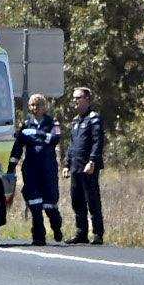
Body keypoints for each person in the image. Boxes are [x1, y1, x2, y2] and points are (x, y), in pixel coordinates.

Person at [11, 94, 63, 245]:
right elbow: (18, 146)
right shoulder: (26, 124)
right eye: (32, 105)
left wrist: (38, 134)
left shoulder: (52, 122)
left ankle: (56, 227)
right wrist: (12, 164)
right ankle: (39, 236)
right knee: (34, 203)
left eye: (38, 105)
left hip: (48, 168)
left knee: (50, 203)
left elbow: (55, 138)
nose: (35, 108)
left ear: (44, 107)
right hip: (31, 168)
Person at [62, 87, 106, 245]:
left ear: (87, 99)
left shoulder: (94, 119)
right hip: (75, 166)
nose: (75, 101)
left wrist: (92, 161)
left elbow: (97, 142)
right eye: (74, 98)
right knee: (77, 201)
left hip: (88, 167)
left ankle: (98, 234)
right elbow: (71, 145)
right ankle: (81, 233)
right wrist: (66, 164)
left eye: (78, 98)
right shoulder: (76, 120)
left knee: (92, 200)